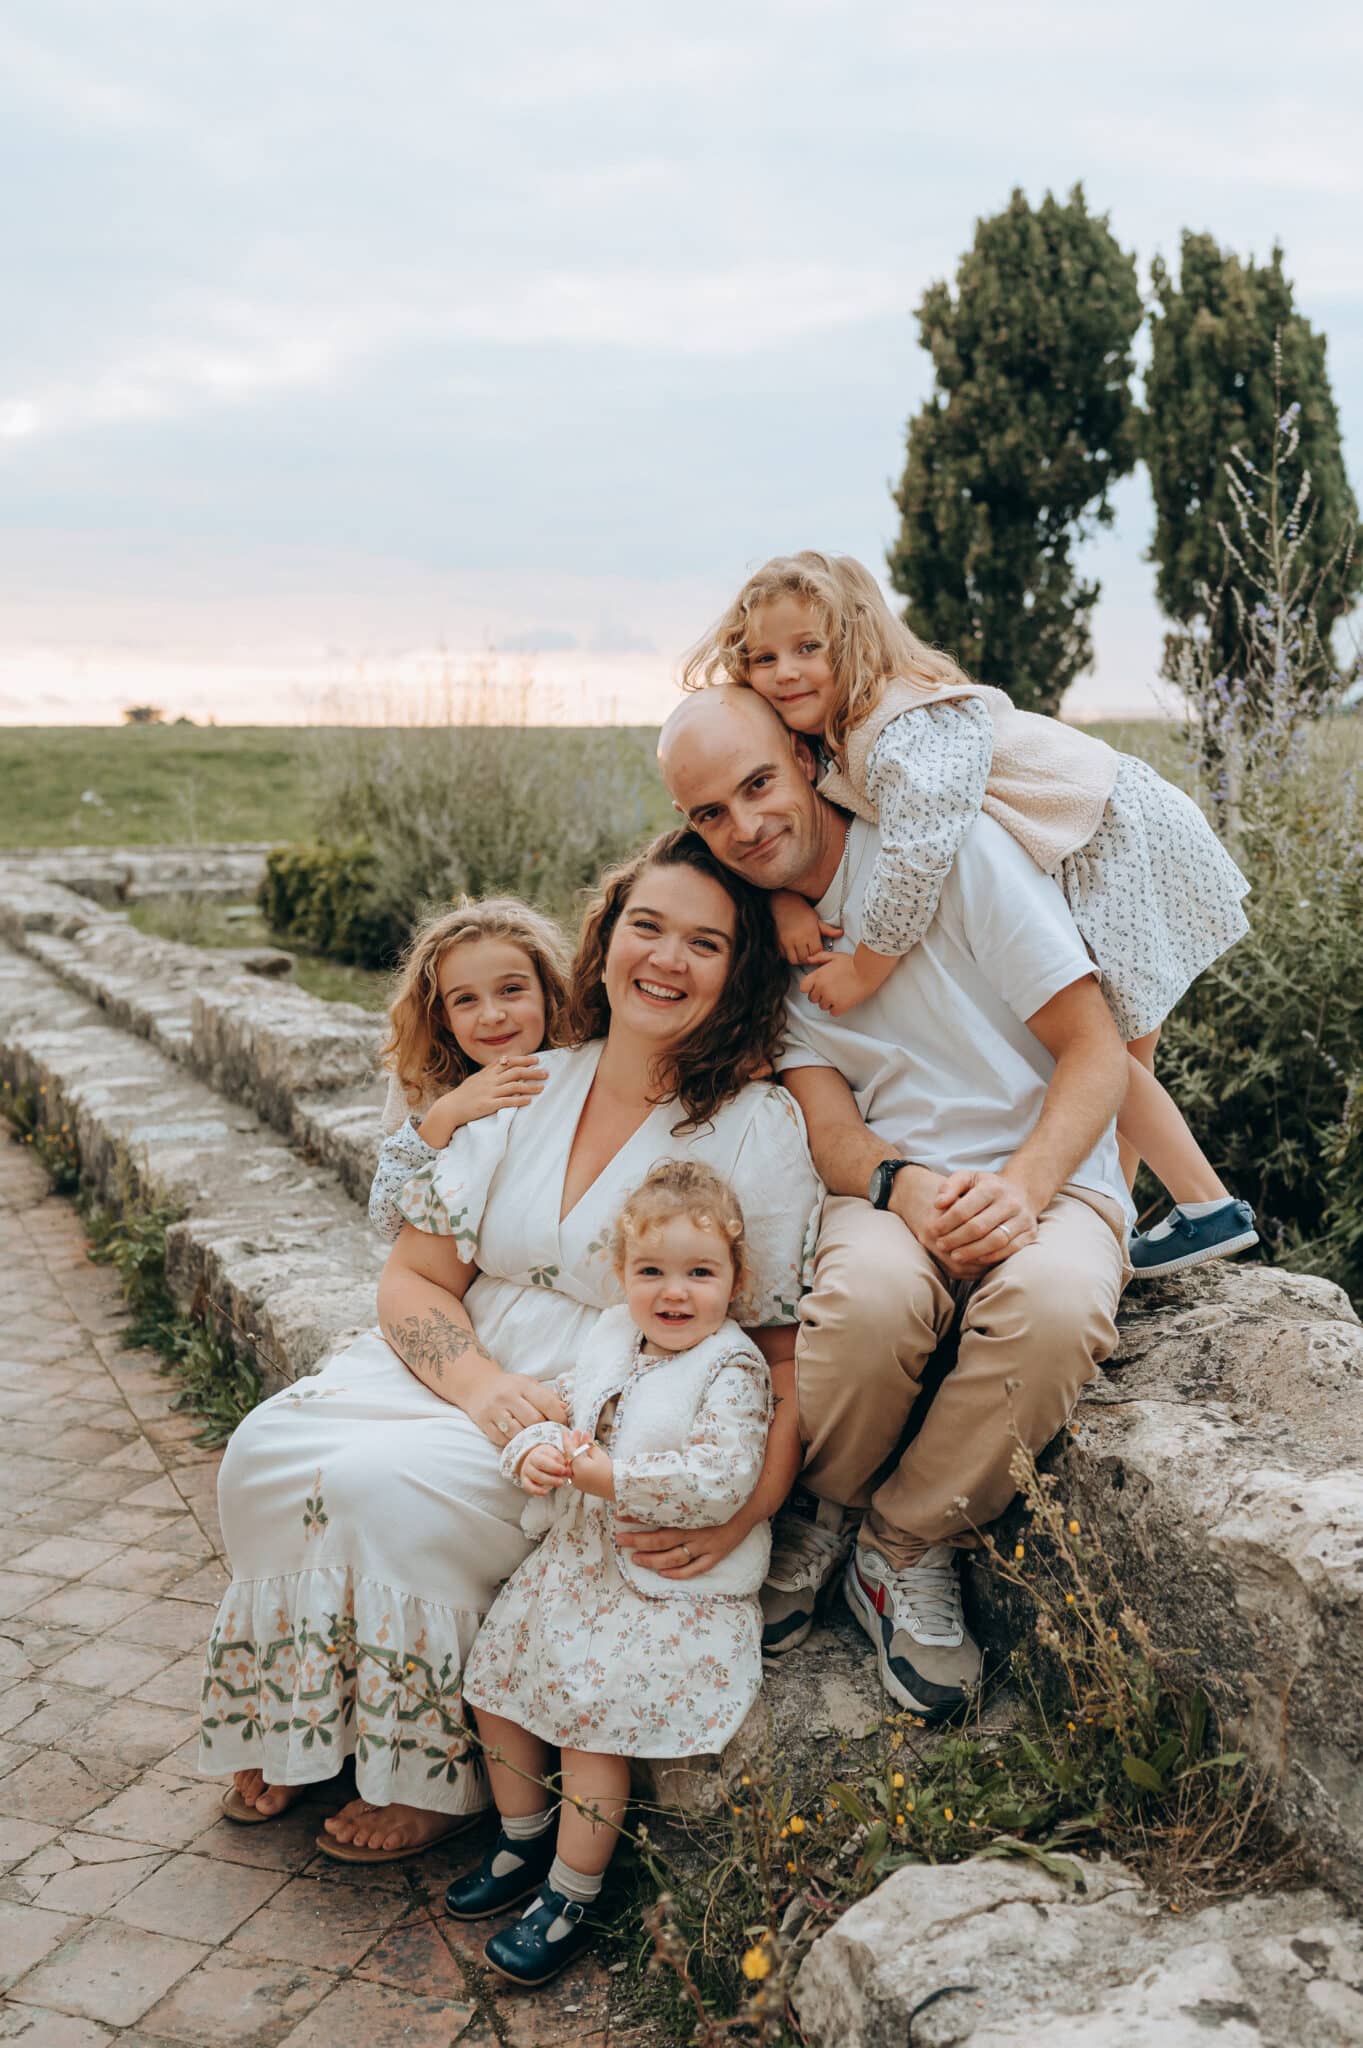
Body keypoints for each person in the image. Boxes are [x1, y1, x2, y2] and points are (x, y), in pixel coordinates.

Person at [199, 829, 820, 1859]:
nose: (666, 958)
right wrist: (478, 1381)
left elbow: (781, 1354)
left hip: (595, 1396)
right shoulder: (528, 1081)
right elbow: (413, 1273)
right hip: (458, 1357)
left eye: (704, 943)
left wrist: (746, 1505)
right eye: (647, 925)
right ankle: (299, 1720)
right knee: (265, 1450)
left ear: (737, 972)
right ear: (605, 937)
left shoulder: (754, 1126)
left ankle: (439, 1774)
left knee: (380, 1485)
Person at [658, 687, 1131, 1717]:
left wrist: (1025, 1187)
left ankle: (899, 1543)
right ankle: (823, 1504)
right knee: (865, 1299)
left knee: (1050, 1308)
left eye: (757, 785)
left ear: (802, 753)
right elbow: (827, 1129)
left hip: (1045, 1166)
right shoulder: (761, 945)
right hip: (887, 1181)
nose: (743, 827)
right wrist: (900, 1185)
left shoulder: (946, 855)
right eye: (709, 813)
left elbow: (1095, 1052)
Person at [682, 551, 1257, 1278]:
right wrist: (780, 898)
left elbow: (917, 851)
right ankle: (1138, 1215)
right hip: (1085, 836)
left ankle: (1200, 1208)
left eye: (807, 648)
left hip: (1107, 839)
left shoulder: (893, 727)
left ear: (856, 639)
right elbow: (805, 840)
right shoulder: (841, 736)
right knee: (1107, 1046)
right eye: (762, 658)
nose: (785, 671)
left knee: (1099, 1044)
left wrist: (867, 966)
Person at [450, 1160, 770, 1987]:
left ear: (734, 1283)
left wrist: (608, 1477)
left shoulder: (730, 1370)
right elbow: (561, 1404)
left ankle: (570, 1892)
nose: (674, 1293)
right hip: (575, 1567)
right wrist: (532, 1451)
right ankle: (522, 1838)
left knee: (588, 1725)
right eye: (650, 1271)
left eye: (700, 1273)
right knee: (494, 1683)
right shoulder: (607, 1336)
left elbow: (720, 1480)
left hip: (661, 1585)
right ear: (621, 1275)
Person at [368, 896, 571, 1240]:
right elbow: (388, 1220)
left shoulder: (580, 1073)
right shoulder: (428, 1085)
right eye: (466, 999)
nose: (492, 1015)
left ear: (547, 991)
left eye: (511, 990)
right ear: (442, 1016)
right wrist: (446, 1114)